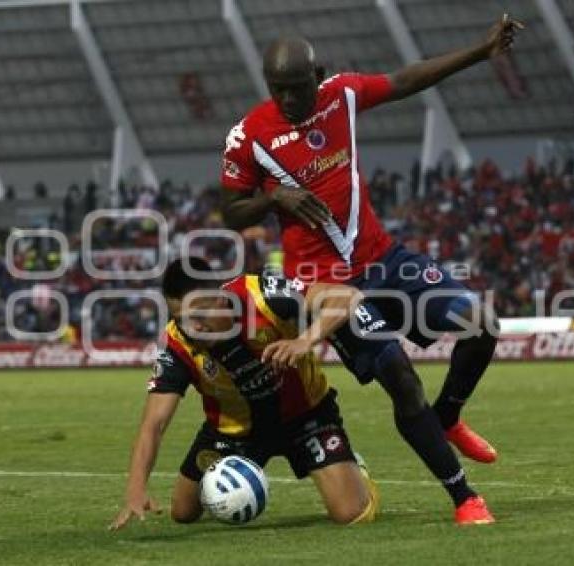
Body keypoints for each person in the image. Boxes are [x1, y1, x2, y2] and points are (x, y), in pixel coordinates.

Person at [220, 15, 525, 523]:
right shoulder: (248, 137)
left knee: (483, 325)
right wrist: (277, 199)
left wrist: (479, 51)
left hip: (384, 259)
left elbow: (407, 80)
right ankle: (464, 498)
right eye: (280, 91)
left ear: (317, 76)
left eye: (298, 89)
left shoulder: (341, 95)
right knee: (400, 377)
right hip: (321, 281)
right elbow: (230, 211)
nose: (291, 100)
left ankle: (446, 417)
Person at [110, 258, 380, 530]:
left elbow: (348, 296)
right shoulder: (177, 345)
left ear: (219, 299)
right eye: (182, 320)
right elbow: (153, 423)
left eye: (199, 317)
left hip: (306, 416)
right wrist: (135, 490)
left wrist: (305, 340)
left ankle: (356, 469)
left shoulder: (261, 295)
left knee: (350, 514)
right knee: (183, 512)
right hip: (234, 431)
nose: (193, 328)